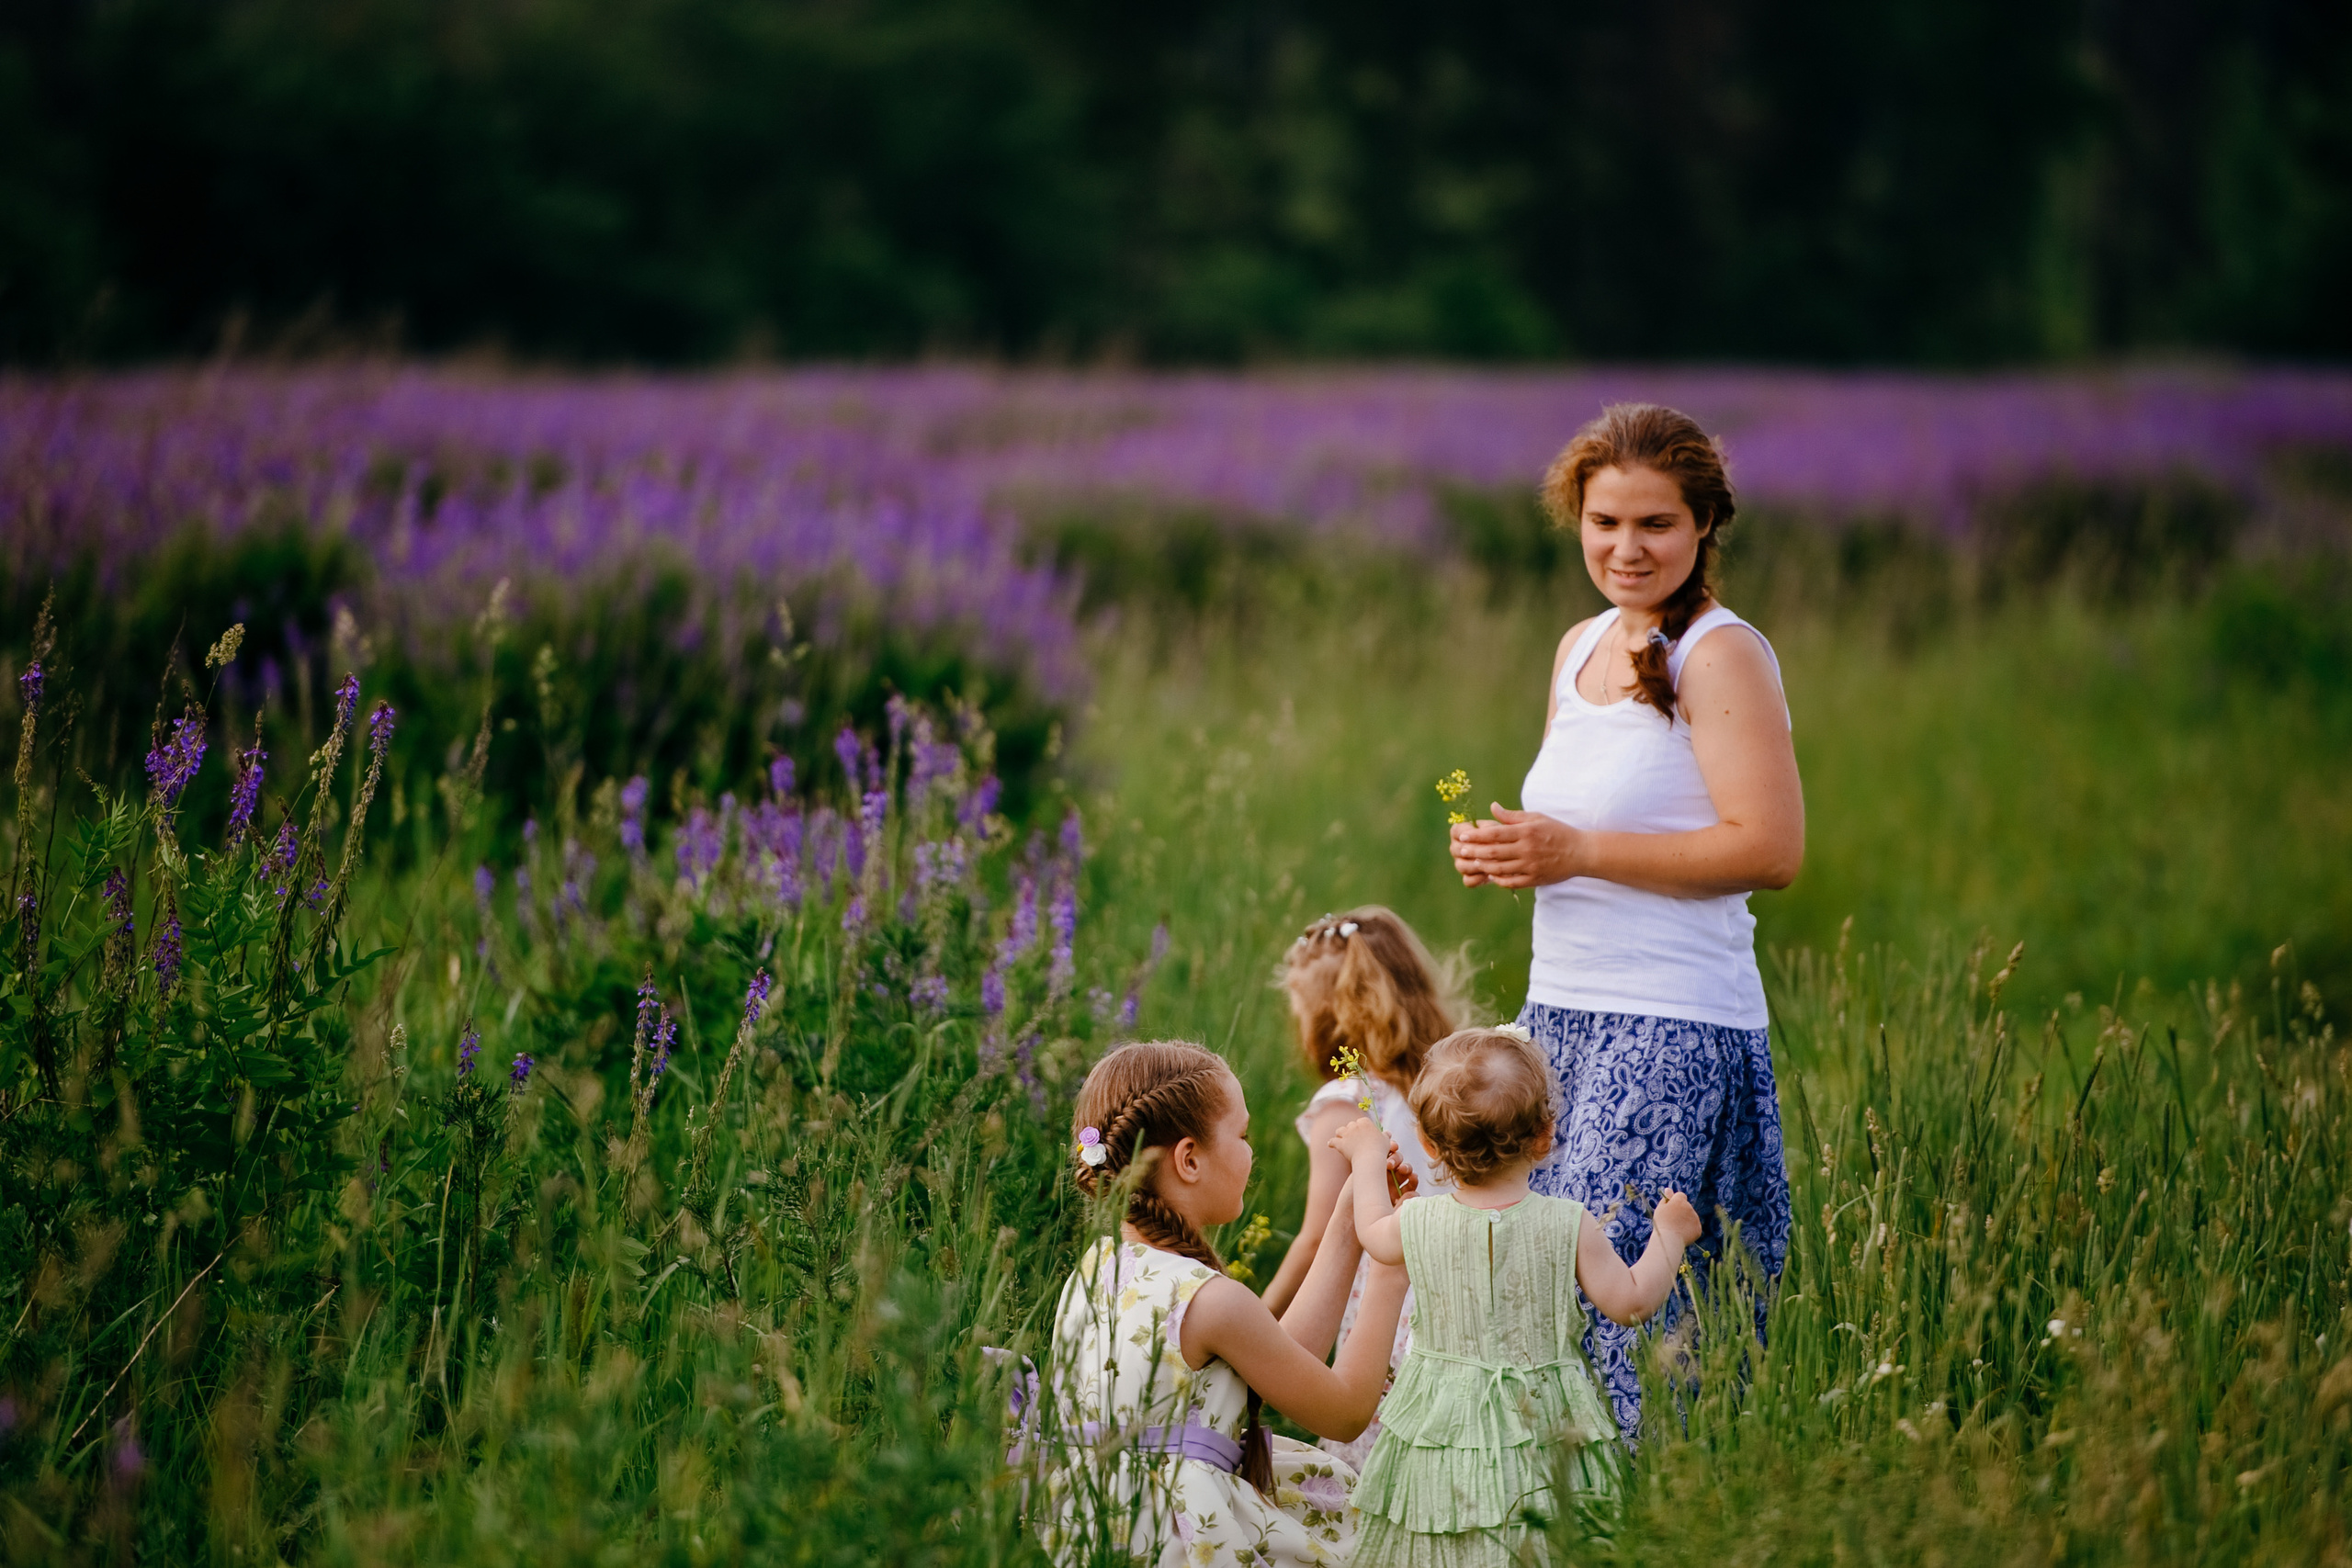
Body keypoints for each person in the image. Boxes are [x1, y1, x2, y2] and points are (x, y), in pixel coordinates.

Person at [1447, 402, 1800, 1440]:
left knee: (1612, 1304)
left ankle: (1636, 1519)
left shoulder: (1721, 654)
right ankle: (1541, 1518)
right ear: (1576, 521)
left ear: (1702, 529)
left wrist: (1579, 853)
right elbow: (1582, 827)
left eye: (1655, 524)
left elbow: (1770, 851)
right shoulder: (1578, 646)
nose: (1626, 548)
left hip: (1673, 1024)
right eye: (1605, 523)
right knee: (1531, 1288)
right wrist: (1517, 854)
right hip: (1561, 1017)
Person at [1329, 1025, 1703, 1567]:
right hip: (1545, 1419)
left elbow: (1370, 1231)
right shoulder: (1568, 1223)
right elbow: (1631, 1302)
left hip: (1443, 1422)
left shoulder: (1416, 1220)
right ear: (1545, 1137)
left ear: (1429, 1144)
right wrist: (1669, 1233)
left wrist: (1368, 1155)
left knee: (1441, 1532)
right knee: (1548, 1537)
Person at [1039, 1040, 1410, 1568]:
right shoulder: (1209, 1300)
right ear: (1189, 1159)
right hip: (1181, 1541)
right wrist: (1392, 1267)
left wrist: (1352, 1215)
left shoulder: (1098, 1268)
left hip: (1098, 1528)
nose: (1250, 1151)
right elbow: (1346, 1410)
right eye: (1242, 1135)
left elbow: (1280, 1361)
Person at [1259, 908, 1464, 1469]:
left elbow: (1315, 1239)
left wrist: (1258, 1326)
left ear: (1325, 1017)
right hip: (1463, 1282)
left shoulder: (1342, 1103)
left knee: (1384, 1457)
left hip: (1389, 1304)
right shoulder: (1451, 1083)